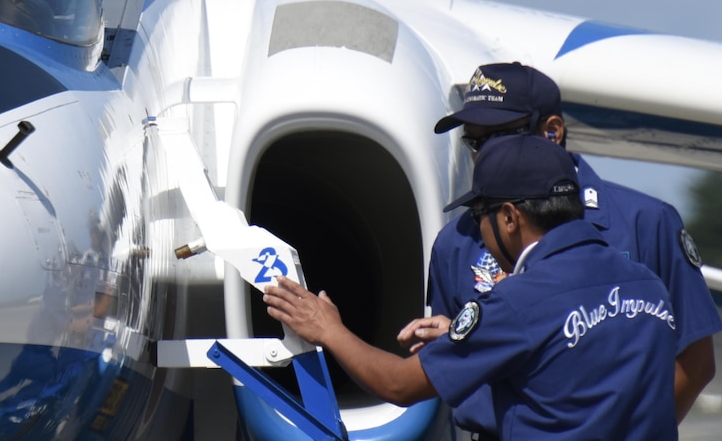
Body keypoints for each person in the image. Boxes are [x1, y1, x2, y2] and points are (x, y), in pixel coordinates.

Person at [263, 134, 679, 441]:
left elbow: (400, 385)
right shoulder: (648, 285)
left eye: (479, 212)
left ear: (510, 217)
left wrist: (329, 329)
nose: (476, 228)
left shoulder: (518, 302)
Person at [424, 62, 720, 428]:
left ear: (552, 131)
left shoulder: (645, 222)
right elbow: (442, 374)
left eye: (500, 136)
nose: (483, 154)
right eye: (474, 141)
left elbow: (695, 362)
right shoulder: (457, 241)